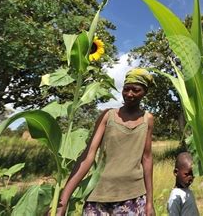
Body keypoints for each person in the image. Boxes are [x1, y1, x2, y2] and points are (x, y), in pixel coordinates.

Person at [55, 68, 155, 216]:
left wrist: (150, 203)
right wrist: (62, 202)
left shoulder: (148, 120)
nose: (129, 94)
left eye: (136, 90)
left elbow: (146, 158)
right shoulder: (108, 116)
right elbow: (88, 156)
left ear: (145, 92)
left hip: (132, 197)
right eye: (126, 89)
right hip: (98, 196)